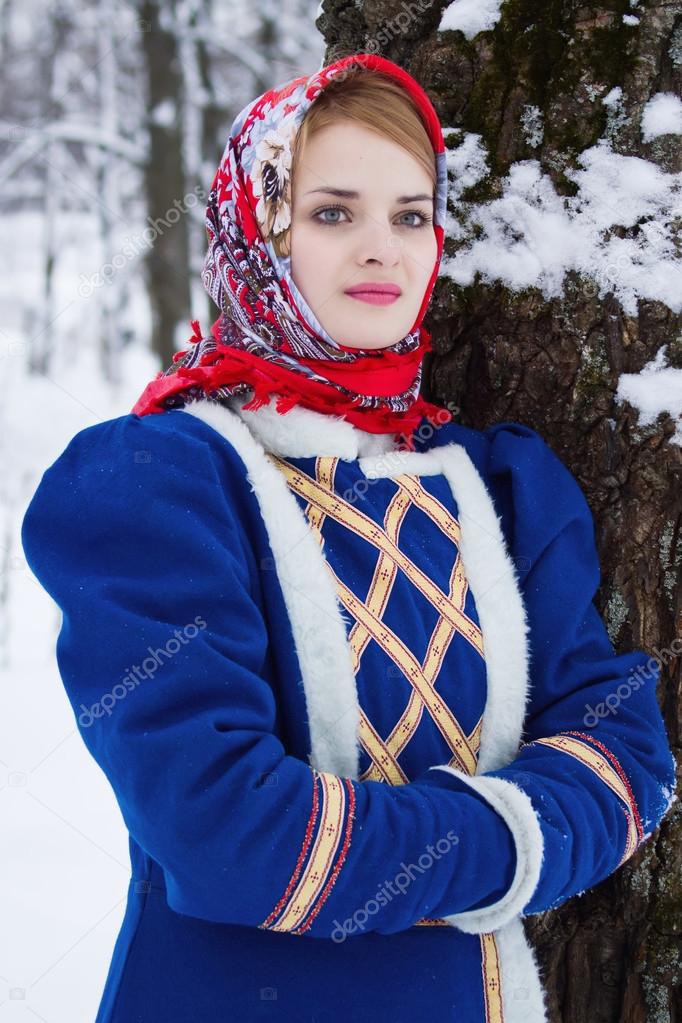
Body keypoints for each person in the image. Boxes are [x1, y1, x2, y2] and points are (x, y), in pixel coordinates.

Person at [21, 52, 677, 1023]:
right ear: (258, 228)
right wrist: (520, 829)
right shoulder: (159, 483)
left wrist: (386, 845)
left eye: (410, 214)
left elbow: (627, 755)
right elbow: (227, 837)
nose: (383, 249)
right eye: (333, 212)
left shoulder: (497, 486)